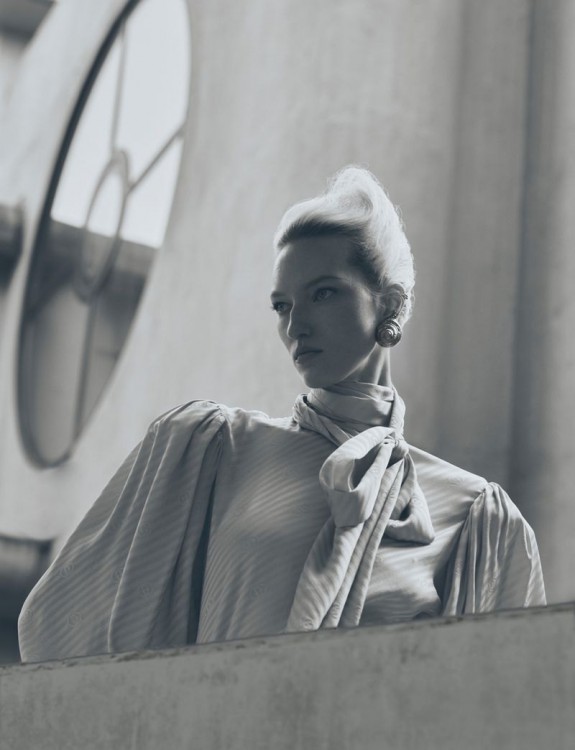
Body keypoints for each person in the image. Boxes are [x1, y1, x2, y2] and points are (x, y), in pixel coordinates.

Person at [18, 166, 546, 662]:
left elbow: (504, 696)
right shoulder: (209, 450)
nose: (296, 327)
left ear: (388, 303)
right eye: (282, 306)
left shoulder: (477, 520)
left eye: (323, 293)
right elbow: (58, 630)